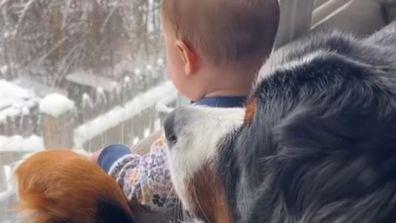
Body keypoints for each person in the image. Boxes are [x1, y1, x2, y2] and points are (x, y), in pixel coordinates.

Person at [92, 0, 280, 212]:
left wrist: (109, 157)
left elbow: (142, 188)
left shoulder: (193, 142)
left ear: (185, 56)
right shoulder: (281, 110)